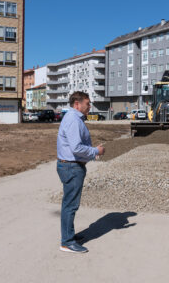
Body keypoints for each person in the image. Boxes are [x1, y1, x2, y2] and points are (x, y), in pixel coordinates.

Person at [56, 91, 105, 253]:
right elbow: (76, 147)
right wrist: (95, 151)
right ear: (77, 104)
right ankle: (67, 242)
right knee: (70, 205)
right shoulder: (73, 120)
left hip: (71, 166)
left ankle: (69, 235)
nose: (89, 106)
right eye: (87, 103)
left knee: (69, 204)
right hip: (71, 167)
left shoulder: (74, 119)